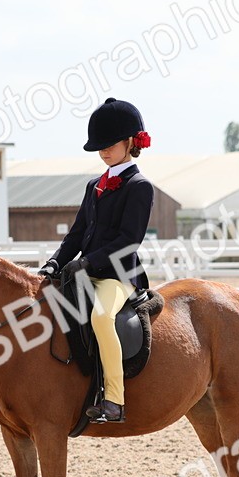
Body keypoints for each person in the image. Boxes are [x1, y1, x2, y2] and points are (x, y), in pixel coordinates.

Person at [37, 97, 154, 423]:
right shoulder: (94, 186)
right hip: (81, 273)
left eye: (110, 144)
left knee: (101, 317)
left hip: (117, 276)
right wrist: (55, 263)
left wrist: (88, 262)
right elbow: (76, 235)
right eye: (99, 146)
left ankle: (114, 400)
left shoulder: (140, 187)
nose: (103, 151)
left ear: (131, 142)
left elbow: (129, 241)